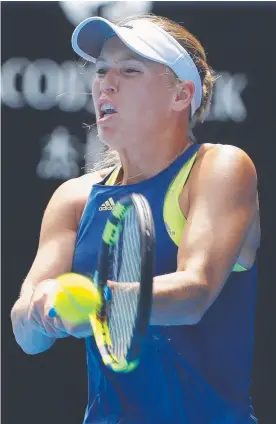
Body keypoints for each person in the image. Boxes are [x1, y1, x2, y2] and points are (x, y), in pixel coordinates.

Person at [11, 14, 260, 424]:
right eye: (102, 70)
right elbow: (27, 338)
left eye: (130, 70)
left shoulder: (219, 167)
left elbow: (194, 293)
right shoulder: (73, 198)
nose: (106, 83)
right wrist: (41, 311)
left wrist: (98, 304)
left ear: (181, 95)